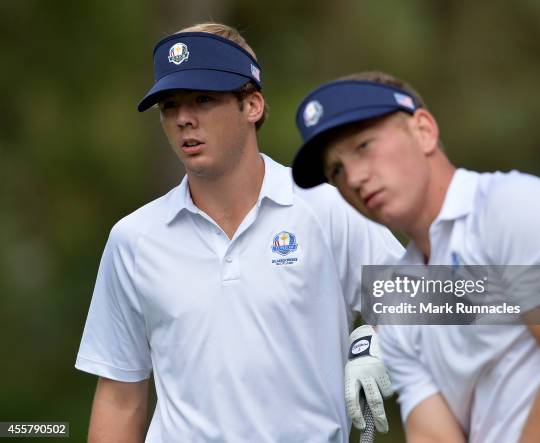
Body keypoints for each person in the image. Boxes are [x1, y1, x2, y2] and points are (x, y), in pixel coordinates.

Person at [75, 26, 404, 442]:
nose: (183, 119)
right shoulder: (133, 239)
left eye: (203, 99)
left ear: (252, 104)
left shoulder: (325, 210)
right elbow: (120, 398)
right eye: (169, 106)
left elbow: (456, 302)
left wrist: (378, 339)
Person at [291, 71, 540, 443]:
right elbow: (434, 434)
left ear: (423, 131)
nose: (355, 178)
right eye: (337, 170)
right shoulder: (400, 296)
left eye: (364, 146)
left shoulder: (514, 206)